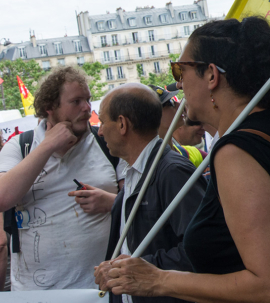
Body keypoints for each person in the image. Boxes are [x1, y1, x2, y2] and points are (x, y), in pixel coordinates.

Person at [98, 17, 270, 303]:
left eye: (181, 70)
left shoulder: (236, 152)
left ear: (211, 75)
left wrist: (157, 280)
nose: (179, 83)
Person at [0, 67, 123, 291]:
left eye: (87, 100)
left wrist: (111, 203)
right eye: (76, 101)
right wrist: (47, 146)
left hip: (99, 289)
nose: (87, 108)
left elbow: (143, 204)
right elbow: (2, 198)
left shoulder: (108, 143)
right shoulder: (21, 146)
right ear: (49, 107)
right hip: (35, 293)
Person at [94, 83, 207, 303]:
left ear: (122, 124)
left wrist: (138, 268)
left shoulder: (172, 172)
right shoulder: (136, 171)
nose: (99, 131)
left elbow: (201, 249)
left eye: (102, 122)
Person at [148, 84, 207, 167]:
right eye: (170, 103)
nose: (179, 106)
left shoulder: (191, 153)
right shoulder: (146, 165)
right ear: (154, 116)